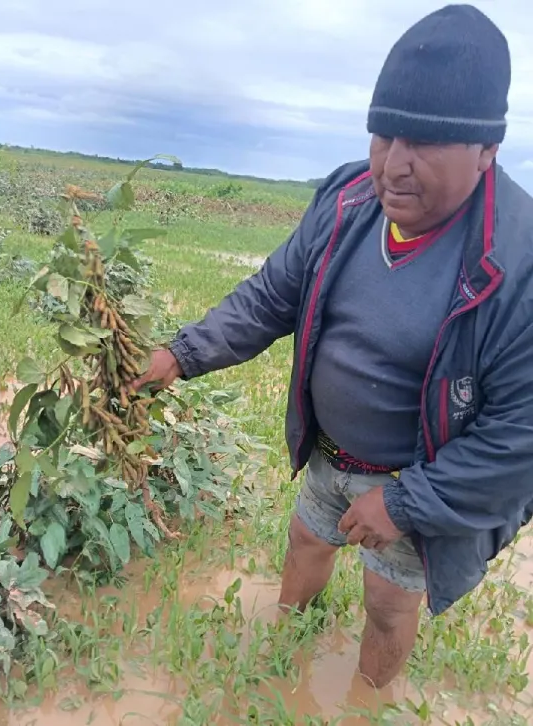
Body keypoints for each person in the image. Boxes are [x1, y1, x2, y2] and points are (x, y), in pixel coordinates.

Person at [131, 3, 533, 689]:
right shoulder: (349, 199)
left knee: (386, 603)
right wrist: (181, 354)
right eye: (384, 136)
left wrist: (403, 505)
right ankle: (284, 652)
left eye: (425, 145)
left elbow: (519, 437)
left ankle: (362, 699)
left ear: (487, 150)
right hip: (330, 453)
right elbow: (272, 295)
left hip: (420, 484)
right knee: (307, 541)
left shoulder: (515, 264)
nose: (395, 167)